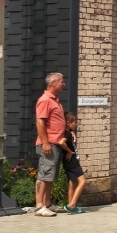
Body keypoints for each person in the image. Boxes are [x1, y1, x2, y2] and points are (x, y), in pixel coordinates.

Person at [34, 72, 67, 217]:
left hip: (56, 144)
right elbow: (40, 122)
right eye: (61, 81)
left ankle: (47, 203)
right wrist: (45, 143)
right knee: (44, 174)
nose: (63, 84)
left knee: (50, 175)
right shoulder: (45, 100)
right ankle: (39, 206)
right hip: (49, 144)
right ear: (53, 83)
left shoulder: (55, 100)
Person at [59, 112, 86, 214]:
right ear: (68, 123)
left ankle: (71, 206)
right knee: (83, 181)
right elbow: (61, 142)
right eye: (75, 122)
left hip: (68, 162)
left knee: (72, 182)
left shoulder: (67, 132)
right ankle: (72, 204)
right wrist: (69, 151)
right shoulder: (67, 134)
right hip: (72, 161)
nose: (76, 124)